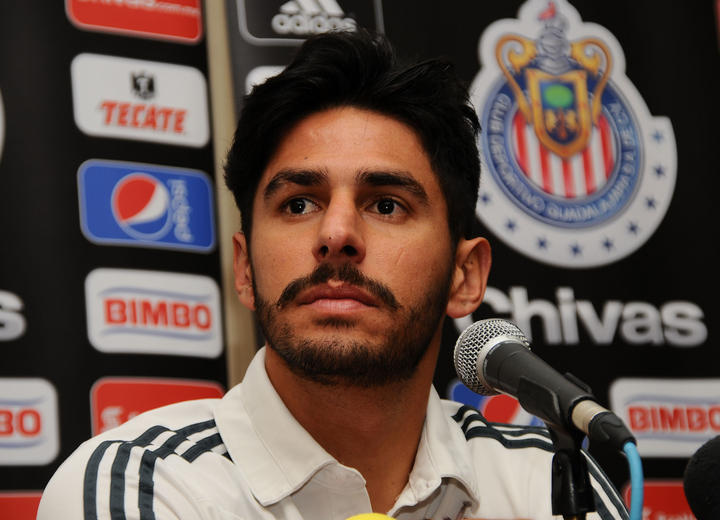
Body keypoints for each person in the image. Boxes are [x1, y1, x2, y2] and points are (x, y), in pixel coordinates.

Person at [38, 30, 628, 520]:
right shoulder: (142, 483)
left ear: (464, 274)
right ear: (245, 269)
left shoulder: (549, 484)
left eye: (386, 205)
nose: (336, 234)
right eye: (298, 203)